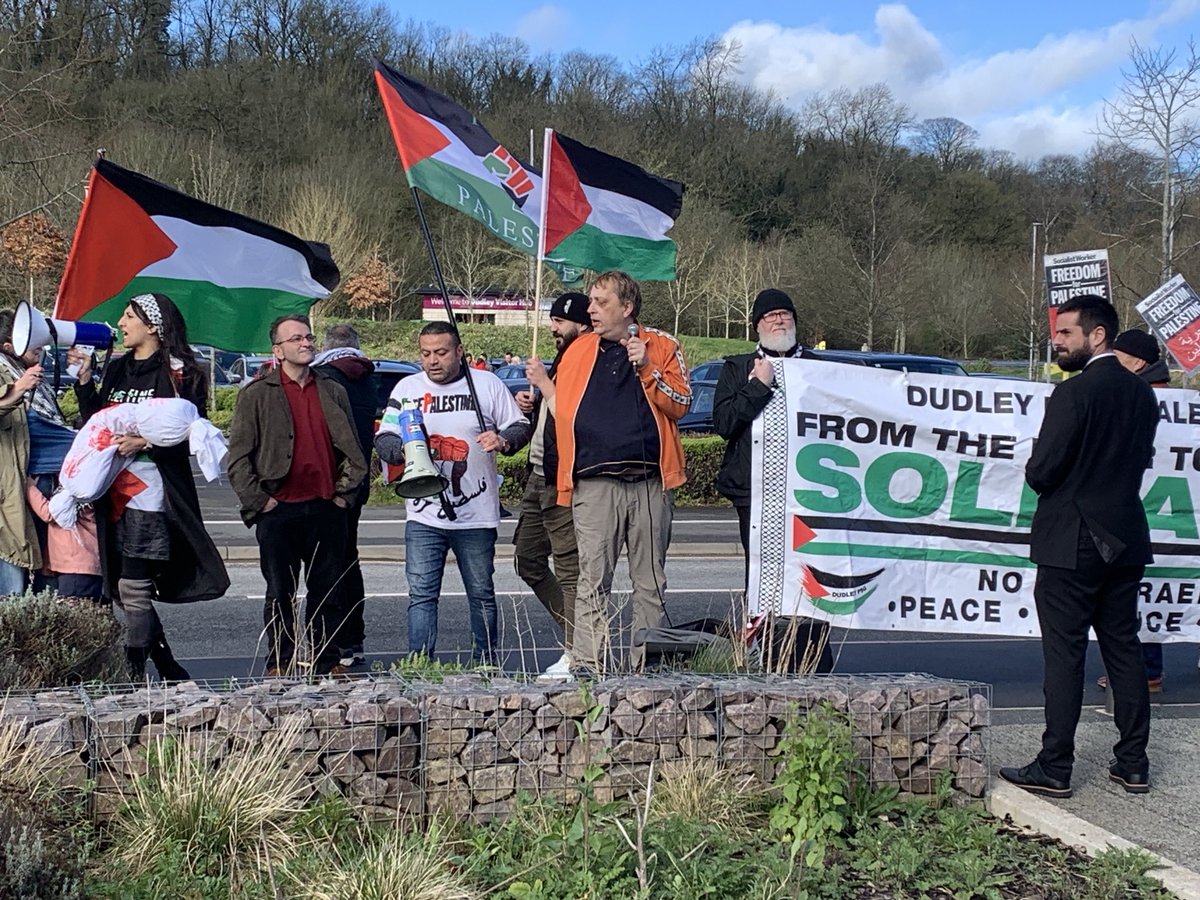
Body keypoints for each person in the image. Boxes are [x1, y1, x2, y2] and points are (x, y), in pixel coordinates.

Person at [1000, 294, 1158, 799]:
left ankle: (1056, 766)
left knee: (1064, 656)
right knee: (1124, 651)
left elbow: (1042, 472)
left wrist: (1038, 468)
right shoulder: (1142, 395)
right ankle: (1133, 763)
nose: (1057, 341)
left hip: (1071, 539)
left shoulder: (1072, 394)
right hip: (1126, 535)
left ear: (1098, 335)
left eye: (1066, 332)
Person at [66, 293, 229, 680]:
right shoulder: (119, 368)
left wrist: (146, 442)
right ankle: (168, 665)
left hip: (152, 493)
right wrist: (86, 382)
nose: (120, 324)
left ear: (153, 326)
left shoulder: (180, 373)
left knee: (133, 585)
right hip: (111, 490)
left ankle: (134, 668)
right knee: (122, 588)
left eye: (128, 317)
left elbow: (195, 431)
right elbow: (98, 424)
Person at [553, 270, 690, 674]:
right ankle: (588, 667)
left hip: (650, 481)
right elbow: (563, 409)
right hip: (594, 484)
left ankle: (648, 669)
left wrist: (648, 367)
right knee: (592, 580)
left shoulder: (662, 345)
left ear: (626, 308)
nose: (590, 310)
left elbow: (682, 403)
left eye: (600, 302)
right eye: (591, 302)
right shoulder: (577, 350)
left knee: (649, 581)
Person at [375, 321, 530, 664]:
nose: (433, 361)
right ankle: (418, 665)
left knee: (481, 594)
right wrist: (403, 451)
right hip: (423, 514)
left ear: (459, 352)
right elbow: (384, 436)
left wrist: (503, 441)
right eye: (426, 353)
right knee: (421, 595)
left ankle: (486, 664)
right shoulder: (407, 387)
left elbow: (519, 425)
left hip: (476, 516)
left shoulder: (486, 384)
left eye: (442, 353)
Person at [228, 315, 366, 677]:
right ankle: (281, 660)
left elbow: (353, 450)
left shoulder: (332, 389)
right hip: (279, 509)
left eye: (308, 337)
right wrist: (260, 502)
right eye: (296, 339)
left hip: (326, 508)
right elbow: (238, 458)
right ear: (278, 350)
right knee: (279, 592)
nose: (306, 343)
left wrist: (343, 497)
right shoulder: (257, 394)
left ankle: (327, 659)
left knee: (328, 591)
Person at [713, 288, 833, 673]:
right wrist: (757, 386)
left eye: (786, 315)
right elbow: (724, 424)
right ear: (757, 326)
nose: (780, 321)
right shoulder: (737, 367)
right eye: (771, 317)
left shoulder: (819, 367)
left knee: (811, 576)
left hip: (809, 493)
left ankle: (814, 661)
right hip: (755, 494)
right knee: (763, 576)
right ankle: (767, 658)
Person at [512, 292, 592, 678]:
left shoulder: (587, 356)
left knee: (569, 568)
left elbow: (575, 413)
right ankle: (584, 635)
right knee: (527, 559)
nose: (552, 328)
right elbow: (551, 416)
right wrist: (532, 406)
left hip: (564, 478)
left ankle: (579, 650)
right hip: (538, 474)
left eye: (560, 321)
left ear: (581, 323)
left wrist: (545, 385)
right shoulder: (562, 361)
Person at [1096, 328, 1170, 694]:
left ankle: (1141, 671)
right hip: (1153, 517)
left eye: (1119, 356)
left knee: (1139, 598)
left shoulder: (1144, 399)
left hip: (1145, 517)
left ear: (1138, 362)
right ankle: (1142, 670)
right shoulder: (1148, 396)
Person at [312, 324, 376, 668]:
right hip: (357, 483)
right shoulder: (367, 377)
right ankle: (354, 639)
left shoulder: (324, 377)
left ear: (326, 346)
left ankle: (333, 641)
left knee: (327, 564)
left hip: (329, 485)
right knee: (348, 557)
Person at [0, 310, 43, 595]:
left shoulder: (21, 370)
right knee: (10, 577)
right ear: (7, 346)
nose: (38, 344)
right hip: (7, 488)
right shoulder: (12, 375)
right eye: (28, 338)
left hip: (25, 482)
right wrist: (15, 392)